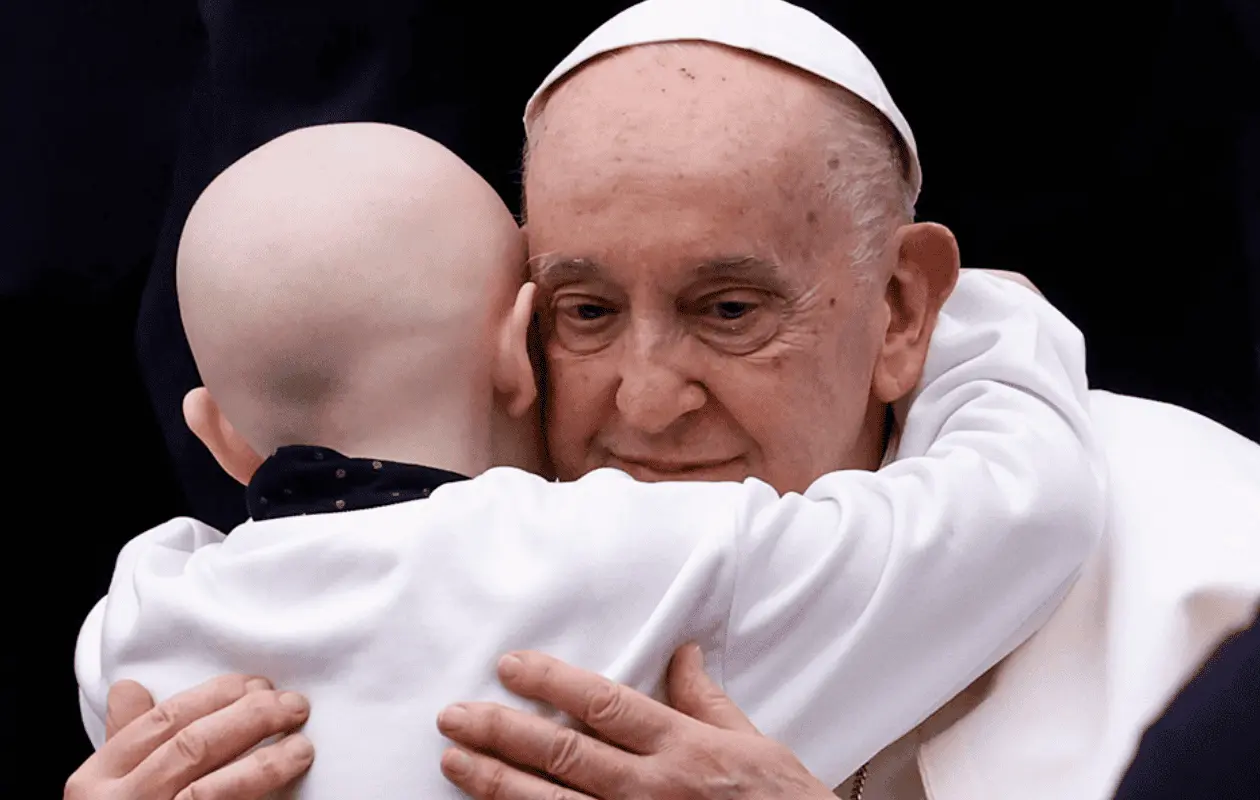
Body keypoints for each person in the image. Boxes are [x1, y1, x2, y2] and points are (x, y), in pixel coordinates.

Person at [63, 1, 1260, 798]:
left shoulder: (1217, 549)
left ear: (903, 310)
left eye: (728, 309)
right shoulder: (407, 559)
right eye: (584, 312)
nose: (647, 398)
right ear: (514, 341)